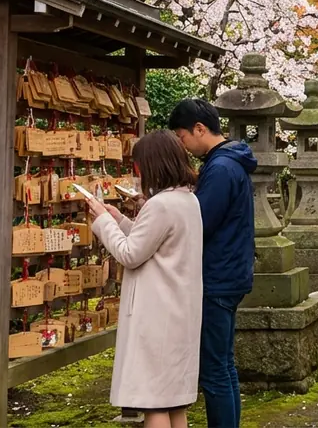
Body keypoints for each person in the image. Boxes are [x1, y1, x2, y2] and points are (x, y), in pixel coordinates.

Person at [85, 131, 202, 428]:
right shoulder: (187, 200)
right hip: (178, 310)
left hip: (156, 315)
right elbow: (152, 240)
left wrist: (101, 220)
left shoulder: (161, 204)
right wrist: (119, 220)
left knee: (155, 403)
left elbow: (130, 253)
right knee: (174, 403)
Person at [168, 99, 257, 428]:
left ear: (199, 129)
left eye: (181, 136)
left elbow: (200, 221)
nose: (182, 145)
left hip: (217, 277)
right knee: (224, 365)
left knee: (214, 370)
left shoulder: (220, 168)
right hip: (231, 272)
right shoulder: (230, 161)